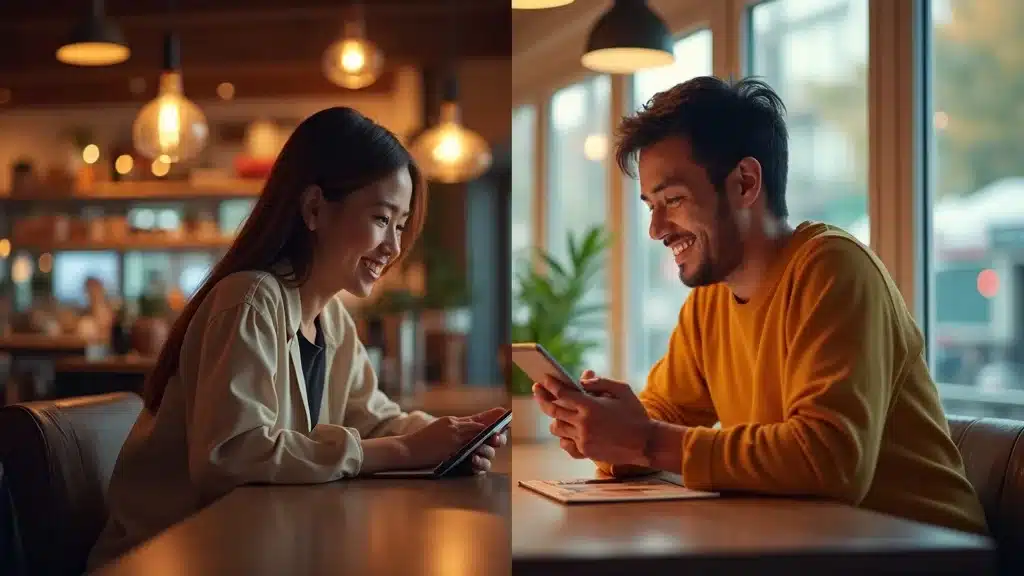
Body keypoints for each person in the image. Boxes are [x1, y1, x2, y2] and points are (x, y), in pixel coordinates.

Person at [532, 76, 987, 536]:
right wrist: (600, 430)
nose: (656, 229)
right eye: (651, 204)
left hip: (926, 549)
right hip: (816, 544)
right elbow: (664, 416)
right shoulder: (710, 298)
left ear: (745, 183)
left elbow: (830, 461)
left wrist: (643, 441)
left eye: (673, 200)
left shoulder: (832, 268)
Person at [88, 107, 508, 570]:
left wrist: (451, 438)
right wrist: (406, 450)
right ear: (313, 208)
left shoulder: (332, 319)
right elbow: (230, 459)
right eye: (382, 218)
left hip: (243, 550)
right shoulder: (250, 299)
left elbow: (372, 419)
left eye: (401, 224)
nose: (393, 247)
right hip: (165, 557)